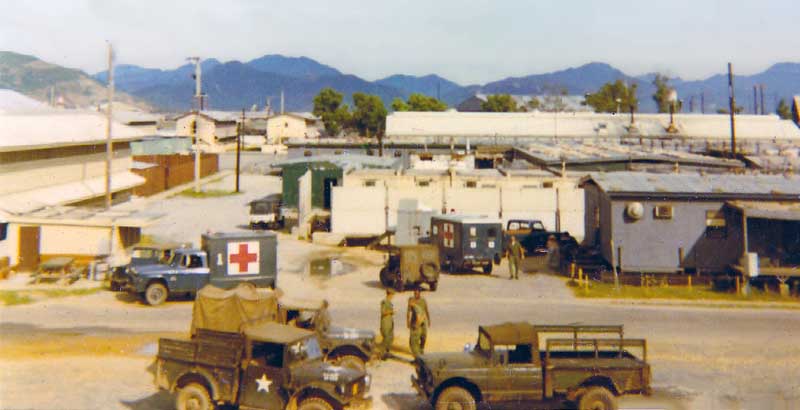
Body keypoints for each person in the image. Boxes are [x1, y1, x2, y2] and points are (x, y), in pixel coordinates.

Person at [407, 289, 430, 357]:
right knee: (414, 337)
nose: (415, 295)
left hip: (423, 321)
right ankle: (415, 351)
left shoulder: (423, 301)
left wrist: (429, 320)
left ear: (420, 294)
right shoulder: (411, 301)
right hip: (414, 321)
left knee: (424, 336)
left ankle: (421, 348)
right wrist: (407, 321)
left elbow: (426, 310)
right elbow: (408, 312)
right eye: (415, 293)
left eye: (417, 293)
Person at [379, 289, 395, 359]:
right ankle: (382, 353)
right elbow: (383, 312)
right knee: (386, 338)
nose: (392, 296)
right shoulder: (384, 302)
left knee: (390, 337)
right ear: (389, 294)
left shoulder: (389, 302)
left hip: (389, 322)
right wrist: (391, 312)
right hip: (385, 322)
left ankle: (387, 352)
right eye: (392, 295)